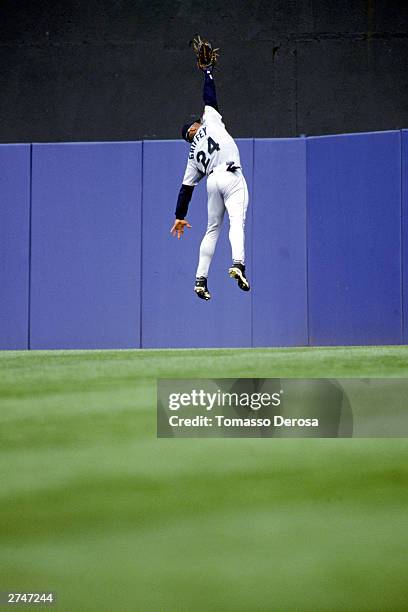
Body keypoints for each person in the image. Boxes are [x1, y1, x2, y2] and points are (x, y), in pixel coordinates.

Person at [170, 66, 250, 301]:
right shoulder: (209, 122)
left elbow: (186, 189)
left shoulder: (192, 157)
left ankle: (200, 279)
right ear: (193, 129)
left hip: (212, 181)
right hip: (231, 175)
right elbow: (210, 96)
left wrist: (179, 215)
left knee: (212, 229)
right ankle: (238, 264)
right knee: (237, 221)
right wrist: (208, 72)